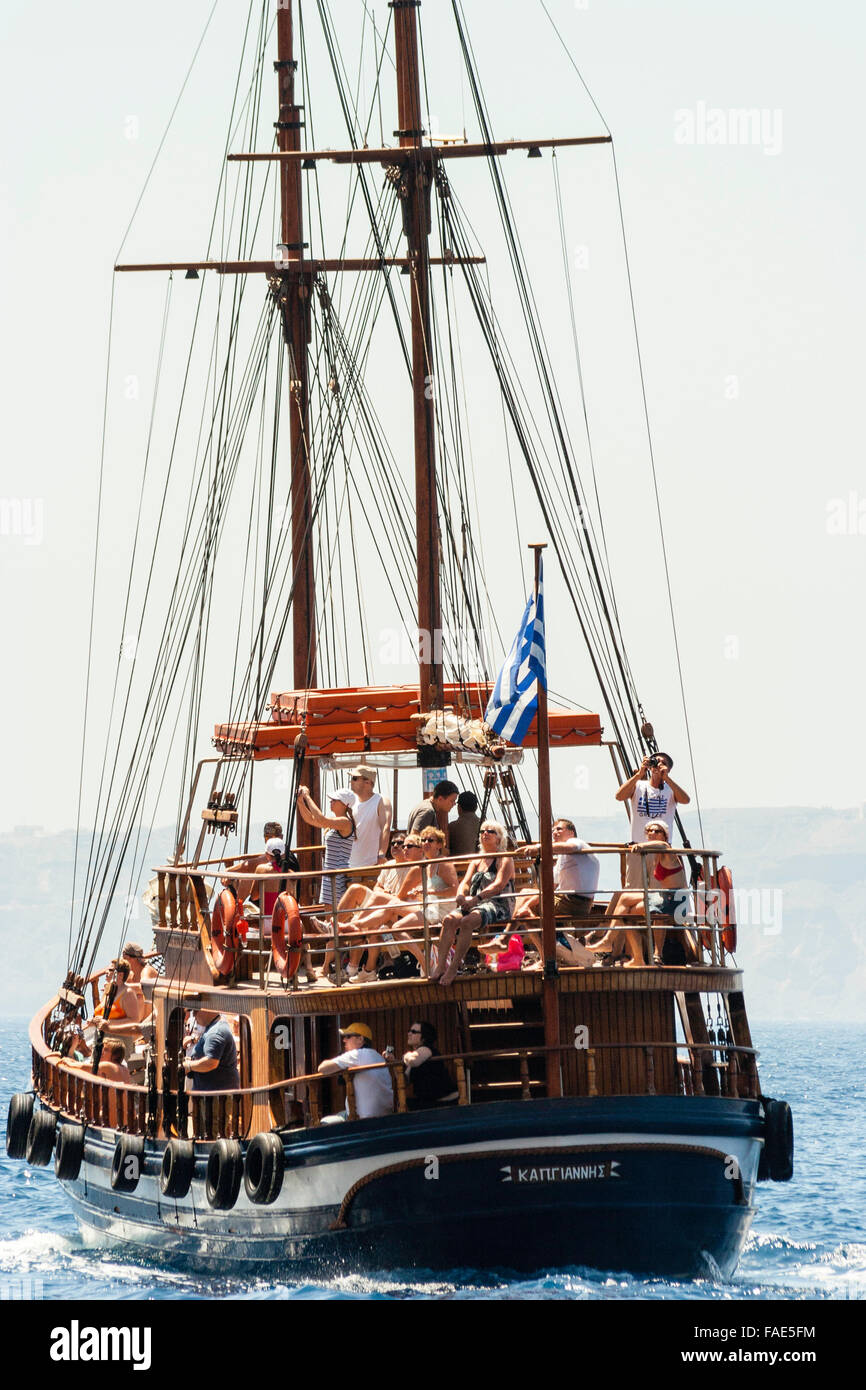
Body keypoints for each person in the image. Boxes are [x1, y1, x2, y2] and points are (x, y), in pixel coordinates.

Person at [588, 821, 690, 967]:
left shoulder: (668, 852)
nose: (651, 833)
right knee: (627, 914)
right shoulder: (655, 857)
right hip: (664, 898)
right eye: (648, 830)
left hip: (676, 901)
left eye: (656, 831)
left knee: (626, 901)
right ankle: (636, 957)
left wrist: (640, 846)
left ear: (665, 835)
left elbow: (663, 845)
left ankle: (607, 941)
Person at [429, 822, 515, 986]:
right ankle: (441, 966)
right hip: (476, 903)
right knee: (449, 920)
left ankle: (454, 967)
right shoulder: (477, 860)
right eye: (482, 831)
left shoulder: (504, 858)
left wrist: (477, 899)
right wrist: (461, 895)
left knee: (468, 921)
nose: (485, 833)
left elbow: (499, 885)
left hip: (498, 904)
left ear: (499, 838)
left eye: (491, 831)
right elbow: (465, 882)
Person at [508, 818, 599, 965]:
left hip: (576, 902)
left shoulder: (577, 843)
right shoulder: (563, 858)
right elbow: (548, 887)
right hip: (567, 900)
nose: (555, 832)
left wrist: (539, 848)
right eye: (553, 830)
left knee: (524, 905)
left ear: (571, 832)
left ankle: (506, 937)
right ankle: (545, 956)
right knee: (524, 909)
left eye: (559, 829)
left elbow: (569, 847)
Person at [387, 827, 460, 970]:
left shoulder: (444, 863)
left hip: (440, 911)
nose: (426, 842)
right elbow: (432, 893)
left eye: (430, 840)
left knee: (396, 928)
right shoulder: (427, 864)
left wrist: (429, 891)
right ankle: (425, 961)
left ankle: (424, 962)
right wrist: (420, 894)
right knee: (392, 908)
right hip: (430, 907)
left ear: (439, 845)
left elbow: (455, 890)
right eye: (424, 840)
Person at [616, 754, 690, 888]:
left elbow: (686, 800)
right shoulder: (638, 785)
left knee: (658, 892)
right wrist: (639, 774)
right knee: (634, 890)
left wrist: (666, 778)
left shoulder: (671, 790)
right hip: (637, 848)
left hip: (661, 851)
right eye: (656, 761)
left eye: (663, 762)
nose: (658, 764)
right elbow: (619, 796)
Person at [317, 1022, 394, 1122]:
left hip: (362, 1119)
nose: (344, 1040)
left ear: (360, 1039)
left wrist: (341, 1059)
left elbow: (322, 1068)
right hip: (386, 1116)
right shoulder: (379, 1057)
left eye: (348, 1036)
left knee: (324, 1122)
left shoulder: (357, 1054)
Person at [295, 785, 356, 906]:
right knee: (330, 913)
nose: (331, 801)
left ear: (345, 804)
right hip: (330, 872)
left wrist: (307, 796)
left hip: (337, 875)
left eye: (335, 800)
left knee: (335, 914)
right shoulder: (335, 822)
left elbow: (321, 820)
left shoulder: (345, 822)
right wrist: (300, 802)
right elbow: (311, 819)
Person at [182, 1008, 240, 1091]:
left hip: (217, 1098)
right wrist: (192, 1060)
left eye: (195, 1011)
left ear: (206, 1009)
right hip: (213, 1096)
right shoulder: (215, 1027)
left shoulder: (215, 1032)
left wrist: (189, 1066)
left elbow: (211, 1063)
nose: (193, 1015)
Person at [403, 1022, 458, 1109]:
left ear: (423, 1037)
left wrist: (404, 1057)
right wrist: (394, 1063)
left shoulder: (425, 1049)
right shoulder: (415, 1055)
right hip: (431, 1101)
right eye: (409, 1031)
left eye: (413, 1031)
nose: (409, 1034)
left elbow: (413, 1061)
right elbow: (404, 1081)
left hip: (445, 1101)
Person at [347, 765, 392, 870]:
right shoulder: (350, 803)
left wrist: (381, 854)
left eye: (354, 778)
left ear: (367, 782)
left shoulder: (381, 801)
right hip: (349, 866)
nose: (351, 781)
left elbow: (386, 827)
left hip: (372, 866)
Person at [449, 790, 481, 856]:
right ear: (476, 807)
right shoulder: (486, 825)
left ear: (459, 808)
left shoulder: (451, 827)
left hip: (458, 865)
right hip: (481, 864)